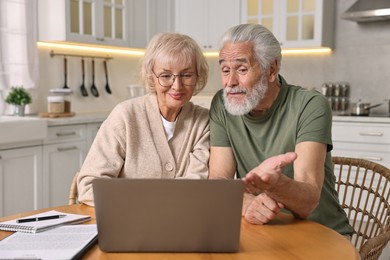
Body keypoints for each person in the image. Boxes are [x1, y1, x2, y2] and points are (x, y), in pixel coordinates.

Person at [209, 24, 354, 236]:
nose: (230, 82)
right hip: (261, 231)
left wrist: (274, 184)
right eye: (225, 70)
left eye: (241, 69)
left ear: (271, 70)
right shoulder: (222, 105)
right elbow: (218, 181)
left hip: (321, 233)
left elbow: (308, 203)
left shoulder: (310, 105)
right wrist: (246, 201)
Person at [77, 32, 210, 206]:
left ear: (197, 77)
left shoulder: (204, 122)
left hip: (182, 224)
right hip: (126, 223)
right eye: (165, 76)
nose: (177, 86)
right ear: (151, 77)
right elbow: (90, 186)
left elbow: (197, 187)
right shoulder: (125, 115)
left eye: (186, 75)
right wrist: (146, 203)